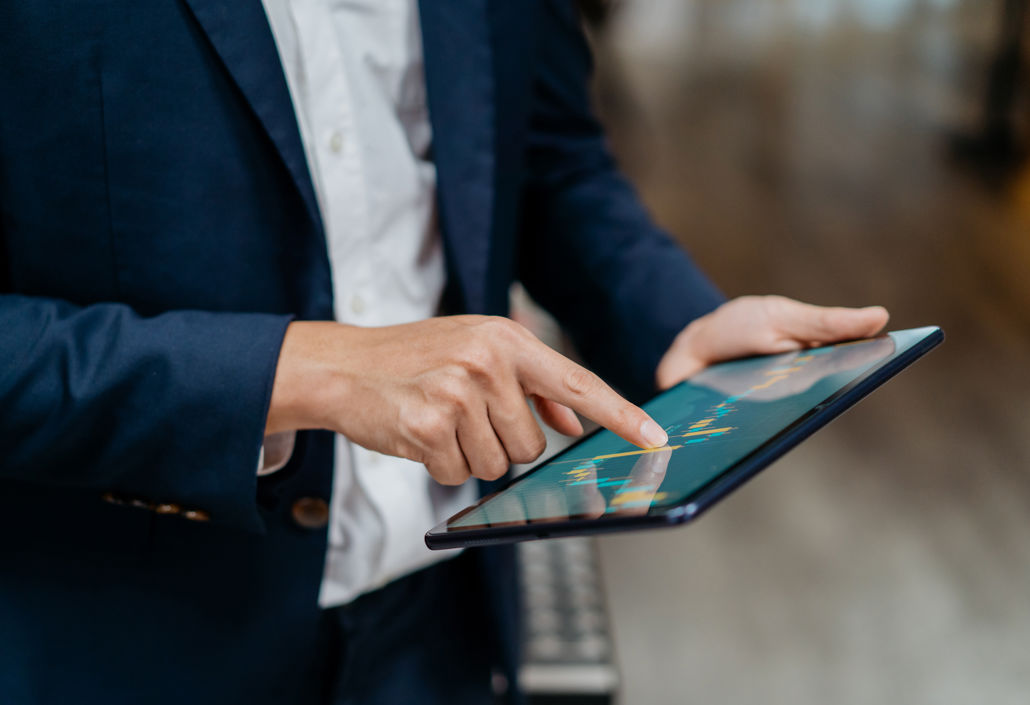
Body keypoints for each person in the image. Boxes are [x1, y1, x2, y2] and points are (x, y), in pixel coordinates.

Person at [0, 1, 889, 704]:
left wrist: (674, 320)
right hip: (120, 635)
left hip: (442, 618)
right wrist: (302, 371)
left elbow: (548, 156)